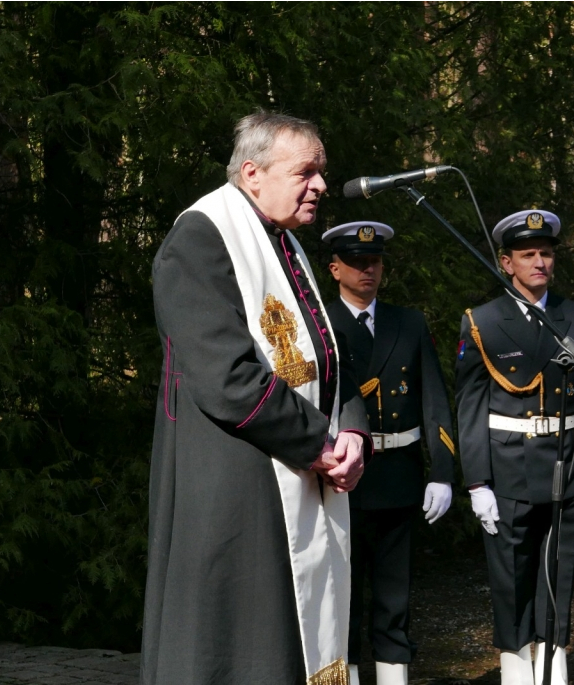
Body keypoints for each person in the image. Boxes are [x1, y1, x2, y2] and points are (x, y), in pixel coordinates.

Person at [141, 111, 372, 685]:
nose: (320, 184)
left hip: (295, 474)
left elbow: (328, 354)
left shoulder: (284, 243)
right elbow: (228, 378)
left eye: (321, 172)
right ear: (252, 173)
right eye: (306, 172)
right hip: (237, 491)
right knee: (244, 654)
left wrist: (353, 433)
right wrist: (321, 441)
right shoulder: (199, 239)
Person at [455, 209, 574, 685]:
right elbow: (470, 405)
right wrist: (476, 481)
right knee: (511, 576)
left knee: (560, 572)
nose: (539, 262)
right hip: (509, 468)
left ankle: (554, 667)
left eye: (545, 253)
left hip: (568, 465)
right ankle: (516, 671)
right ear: (506, 262)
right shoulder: (482, 321)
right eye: (528, 255)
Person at [321, 221, 457, 685]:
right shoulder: (320, 324)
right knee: (345, 596)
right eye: (357, 262)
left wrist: (442, 471)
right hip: (341, 478)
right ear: (334, 268)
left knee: (395, 596)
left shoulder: (408, 322)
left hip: (400, 475)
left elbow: (434, 400)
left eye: (374, 261)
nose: (367, 270)